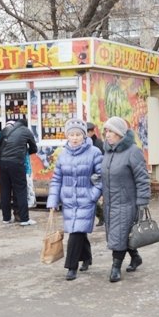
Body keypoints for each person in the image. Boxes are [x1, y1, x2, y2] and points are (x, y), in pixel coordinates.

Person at [46, 119, 103, 281]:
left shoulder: (94, 153)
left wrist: (93, 195)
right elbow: (57, 179)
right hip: (69, 200)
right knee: (77, 229)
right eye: (71, 134)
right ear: (67, 136)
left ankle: (71, 267)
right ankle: (86, 257)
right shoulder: (63, 155)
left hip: (86, 199)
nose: (75, 137)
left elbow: (100, 178)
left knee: (76, 231)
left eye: (78, 134)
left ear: (84, 136)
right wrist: (53, 201)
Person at [101, 116, 151, 283]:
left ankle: (116, 267)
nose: (107, 135)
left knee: (119, 235)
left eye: (111, 131)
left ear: (120, 134)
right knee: (121, 235)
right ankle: (135, 257)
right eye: (106, 131)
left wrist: (143, 201)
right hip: (110, 202)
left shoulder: (133, 151)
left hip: (127, 202)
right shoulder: (108, 151)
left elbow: (142, 178)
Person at [0, 116, 38, 225]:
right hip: (17, 163)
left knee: (4, 190)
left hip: (3, 163)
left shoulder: (6, 129)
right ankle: (24, 219)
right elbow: (34, 148)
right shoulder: (26, 131)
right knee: (20, 190)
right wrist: (25, 149)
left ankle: (6, 218)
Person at [87, 121, 105, 227]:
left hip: (97, 174)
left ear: (93, 132)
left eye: (88, 131)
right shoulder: (84, 143)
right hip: (89, 174)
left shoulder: (98, 143)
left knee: (97, 197)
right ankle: (101, 215)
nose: (87, 133)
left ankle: (103, 215)